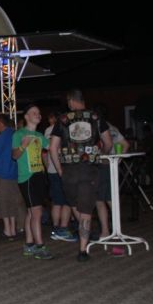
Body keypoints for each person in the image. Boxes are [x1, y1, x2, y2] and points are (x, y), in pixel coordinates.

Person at [49, 89, 112, 262]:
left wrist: (59, 169)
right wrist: (101, 155)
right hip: (89, 169)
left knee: (75, 206)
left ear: (70, 101)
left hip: (69, 170)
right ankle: (83, 250)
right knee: (85, 210)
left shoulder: (63, 119)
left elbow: (53, 147)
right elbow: (108, 142)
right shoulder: (96, 117)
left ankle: (85, 238)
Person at [12, 105, 53, 259]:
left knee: (31, 212)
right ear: (26, 117)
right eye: (34, 112)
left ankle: (29, 244)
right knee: (36, 212)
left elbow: (51, 148)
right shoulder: (19, 134)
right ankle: (39, 246)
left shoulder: (39, 135)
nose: (38, 114)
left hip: (39, 176)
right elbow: (14, 156)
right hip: (27, 178)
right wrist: (23, 146)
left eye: (39, 112)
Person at [94, 113, 130, 241]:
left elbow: (107, 144)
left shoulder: (96, 126)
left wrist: (103, 156)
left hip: (101, 165)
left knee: (99, 200)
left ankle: (105, 231)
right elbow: (126, 144)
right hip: (112, 166)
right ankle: (117, 228)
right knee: (111, 198)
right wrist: (118, 160)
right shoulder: (112, 127)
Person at [0, 114, 25, 240]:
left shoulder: (3, 136)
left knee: (3, 201)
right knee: (13, 200)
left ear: (0, 123)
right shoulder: (14, 134)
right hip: (14, 172)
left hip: (3, 172)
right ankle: (13, 228)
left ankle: (8, 229)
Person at [44, 112, 76, 242]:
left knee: (57, 201)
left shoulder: (48, 130)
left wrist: (47, 167)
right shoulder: (67, 128)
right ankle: (63, 229)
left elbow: (45, 152)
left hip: (52, 169)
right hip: (64, 168)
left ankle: (56, 228)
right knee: (68, 201)